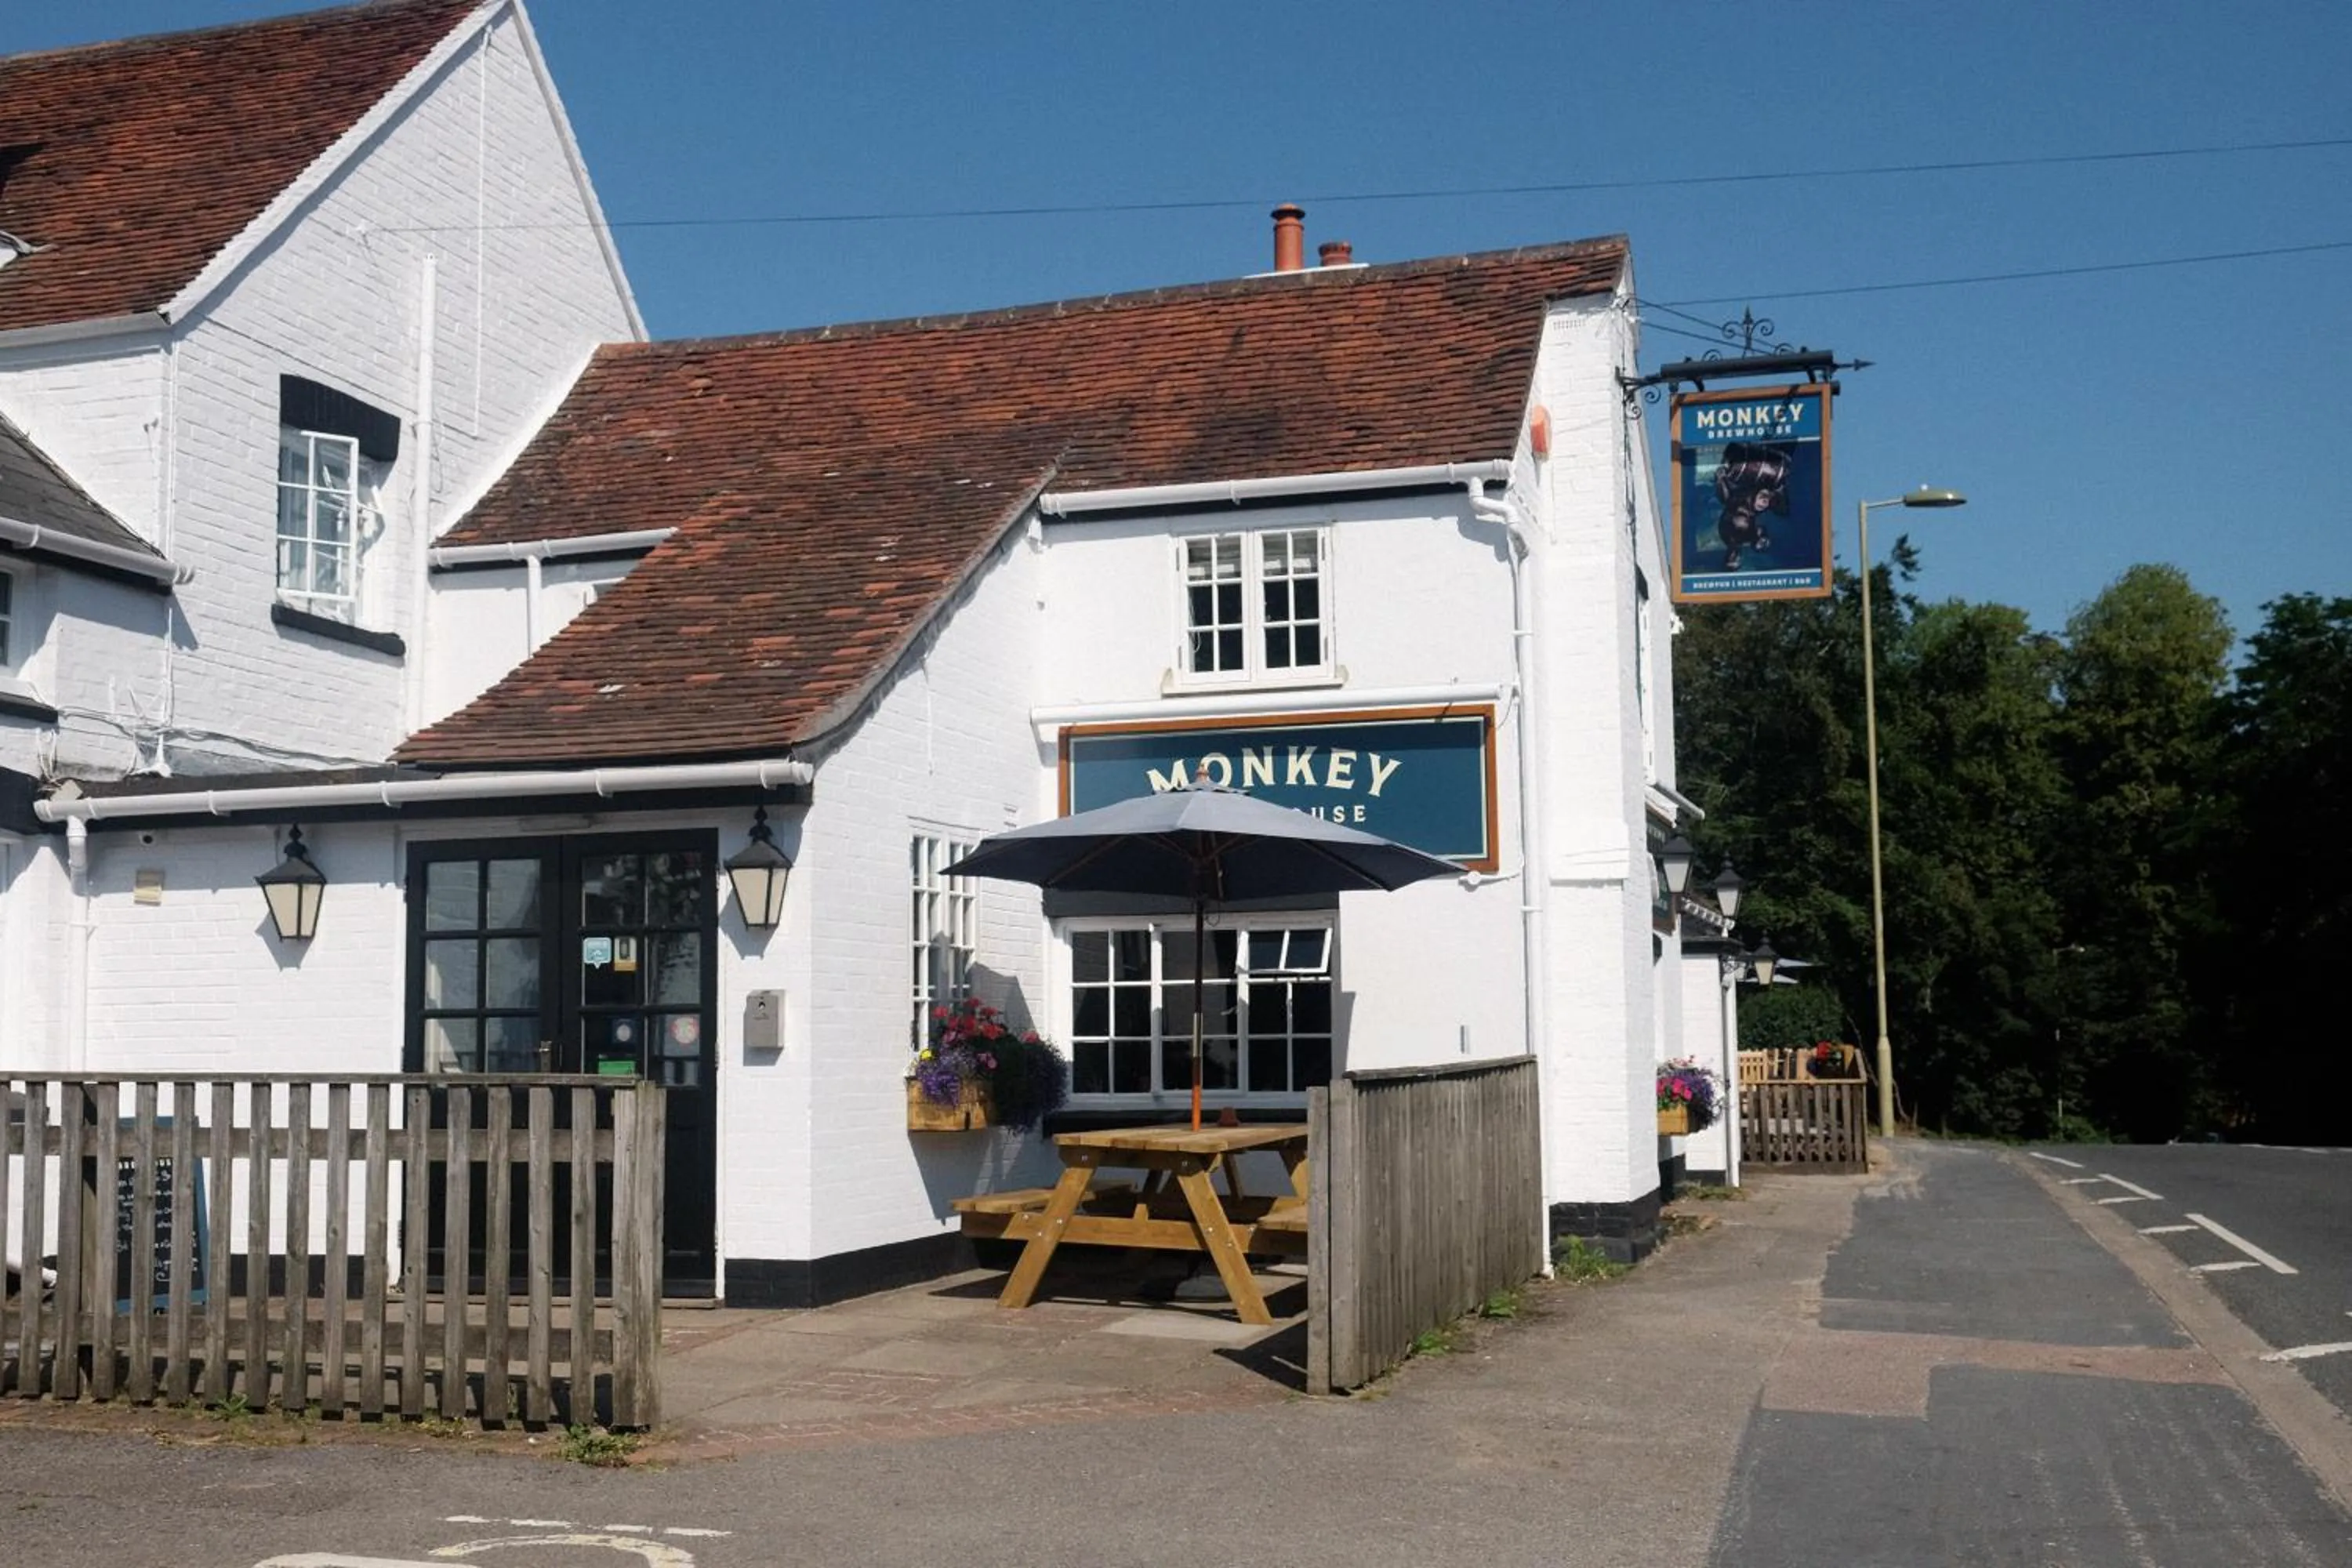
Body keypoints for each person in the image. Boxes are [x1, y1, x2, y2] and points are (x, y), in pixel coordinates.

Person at [1713, 441, 1792, 570]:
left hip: (1746, 492)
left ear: (1727, 556)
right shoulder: (1748, 538)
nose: (1734, 556)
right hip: (1759, 491)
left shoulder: (1725, 533)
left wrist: (1721, 480)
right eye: (1736, 560)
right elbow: (1761, 531)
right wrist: (1761, 541)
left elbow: (1727, 501)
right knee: (1783, 510)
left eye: (1731, 559)